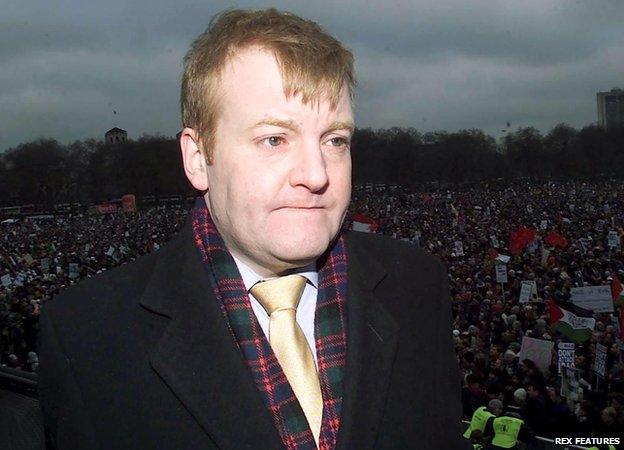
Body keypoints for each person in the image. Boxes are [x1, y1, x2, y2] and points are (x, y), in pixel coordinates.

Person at [38, 8, 468, 450]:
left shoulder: (418, 285)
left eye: (335, 139)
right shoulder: (87, 335)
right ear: (198, 157)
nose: (317, 174)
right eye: (274, 139)